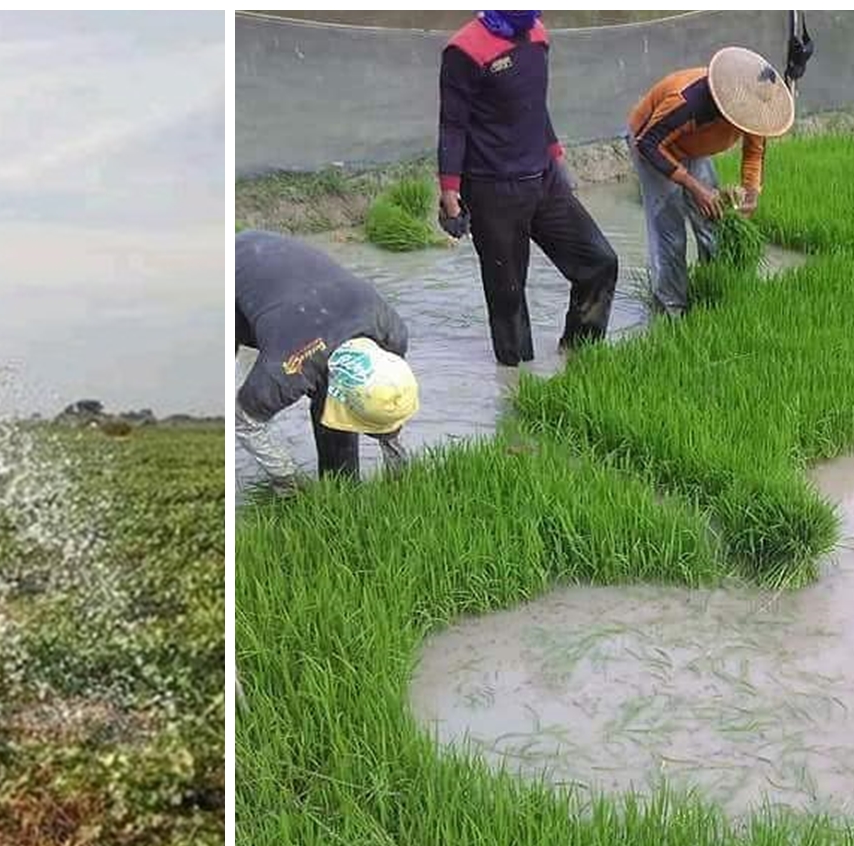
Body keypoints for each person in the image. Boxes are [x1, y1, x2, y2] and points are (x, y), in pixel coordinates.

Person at [435, 10, 618, 367]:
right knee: (508, 298)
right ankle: (517, 383)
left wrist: (556, 156)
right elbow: (452, 125)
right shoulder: (464, 50)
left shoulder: (537, 34)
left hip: (543, 177)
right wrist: (449, 191)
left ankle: (579, 358)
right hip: (492, 188)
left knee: (599, 262)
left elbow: (535, 105)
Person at [625, 29, 808, 318]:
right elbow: (647, 143)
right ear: (730, 105)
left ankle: (714, 289)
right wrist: (694, 186)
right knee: (670, 233)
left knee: (714, 220)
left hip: (691, 145)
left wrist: (751, 193)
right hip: (653, 143)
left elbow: (754, 151)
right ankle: (673, 310)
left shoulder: (757, 108)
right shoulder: (688, 102)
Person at [235, 229, 420, 490]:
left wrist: (401, 481)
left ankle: (340, 489)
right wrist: (290, 479)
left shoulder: (393, 334)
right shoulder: (287, 369)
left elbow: (383, 404)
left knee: (345, 402)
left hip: (297, 287)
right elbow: (244, 422)